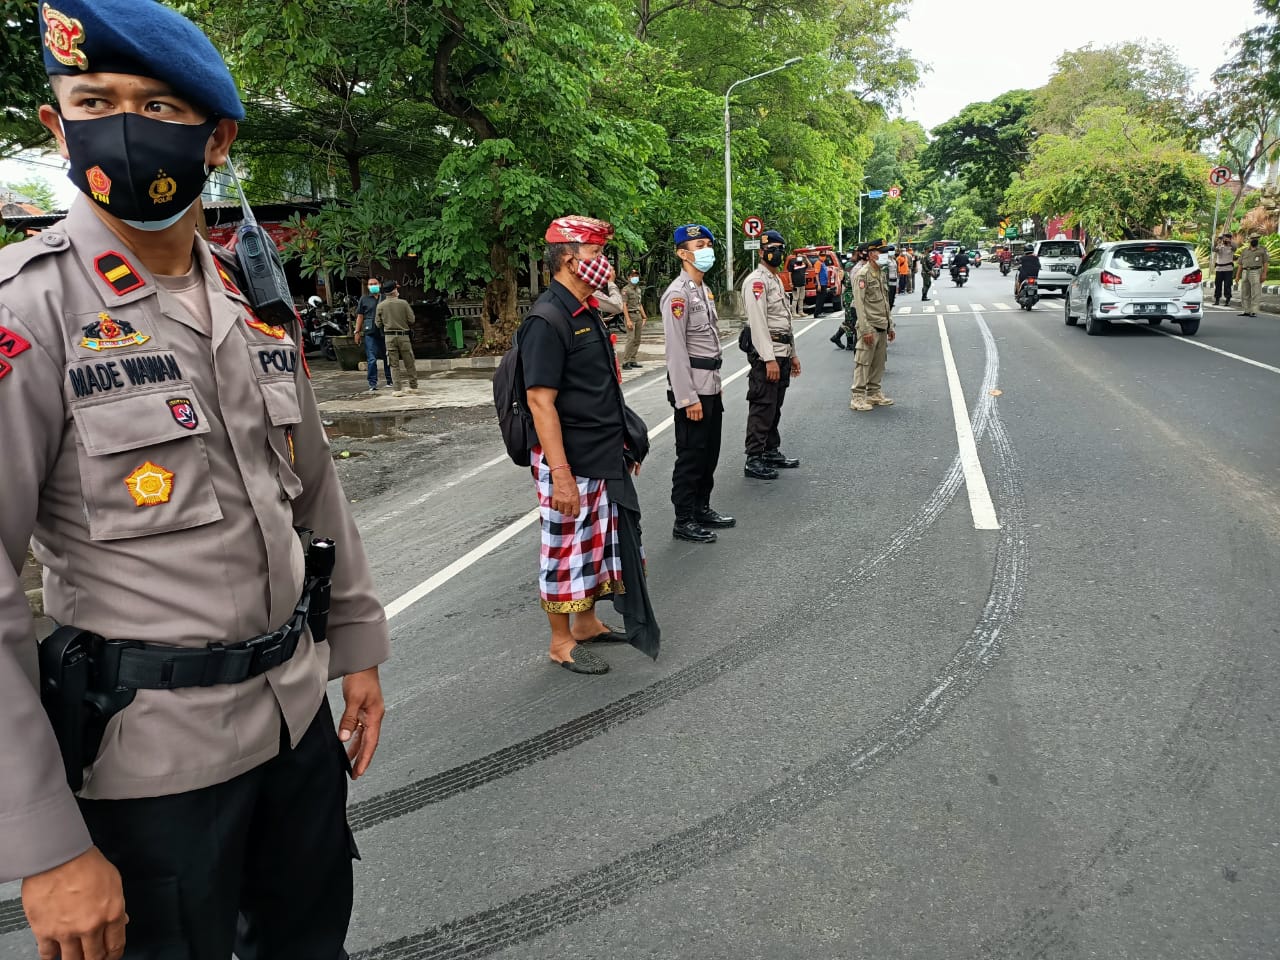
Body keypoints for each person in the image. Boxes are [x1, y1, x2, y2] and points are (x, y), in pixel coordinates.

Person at [1, 4, 391, 957]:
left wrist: (357, 645)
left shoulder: (250, 305)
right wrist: (45, 844)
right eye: (95, 100)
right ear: (58, 126)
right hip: (153, 771)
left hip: (296, 730)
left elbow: (313, 489)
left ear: (214, 138)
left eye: (158, 105)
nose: (125, 126)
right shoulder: (32, 311)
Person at [520, 215, 658, 675]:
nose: (605, 265)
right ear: (568, 259)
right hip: (570, 461)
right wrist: (560, 473)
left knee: (597, 547)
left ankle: (586, 624)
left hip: (601, 454)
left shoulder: (586, 310)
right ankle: (561, 642)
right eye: (596, 255)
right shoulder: (548, 318)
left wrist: (624, 442)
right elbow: (541, 402)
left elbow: (602, 389)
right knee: (565, 550)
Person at [661, 224, 734, 543]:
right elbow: (675, 352)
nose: (706, 249)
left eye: (708, 243)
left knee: (710, 453)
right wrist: (687, 398)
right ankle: (684, 518)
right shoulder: (677, 295)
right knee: (691, 455)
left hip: (710, 385)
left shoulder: (703, 290)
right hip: (692, 390)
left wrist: (715, 384)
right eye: (699, 244)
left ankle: (702, 507)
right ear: (682, 253)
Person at [743, 229, 802, 480]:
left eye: (780, 248)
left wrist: (793, 354)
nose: (776, 253)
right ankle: (754, 457)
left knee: (775, 406)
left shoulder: (776, 279)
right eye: (772, 248)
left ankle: (770, 450)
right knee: (763, 406)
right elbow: (758, 323)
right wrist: (768, 359)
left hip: (783, 351)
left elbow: (785, 321)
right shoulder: (757, 281)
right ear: (761, 251)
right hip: (768, 355)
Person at [850, 239, 896, 412]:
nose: (883, 255)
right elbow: (859, 304)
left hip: (882, 325)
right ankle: (858, 397)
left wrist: (890, 325)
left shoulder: (881, 273)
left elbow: (885, 302)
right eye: (880, 251)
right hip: (869, 326)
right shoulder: (863, 274)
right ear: (870, 255)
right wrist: (865, 328)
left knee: (878, 363)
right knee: (863, 363)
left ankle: (874, 393)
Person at [375, 280, 418, 395]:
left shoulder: (380, 306)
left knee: (394, 364)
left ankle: (397, 389)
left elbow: (378, 324)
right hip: (403, 336)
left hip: (389, 337)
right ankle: (413, 386)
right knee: (409, 362)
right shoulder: (403, 303)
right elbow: (411, 320)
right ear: (394, 291)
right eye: (397, 289)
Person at [355, 276, 393, 393]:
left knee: (387, 357)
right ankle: (372, 383)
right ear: (367, 286)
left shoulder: (385, 298)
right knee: (371, 359)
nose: (372, 286)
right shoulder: (364, 299)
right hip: (370, 332)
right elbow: (360, 316)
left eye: (374, 283)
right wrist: (357, 332)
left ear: (380, 285)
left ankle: (389, 380)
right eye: (370, 284)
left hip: (384, 331)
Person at [620, 267, 648, 369]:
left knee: (637, 339)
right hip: (630, 315)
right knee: (630, 339)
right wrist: (628, 320)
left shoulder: (638, 290)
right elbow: (624, 306)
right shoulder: (625, 290)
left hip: (638, 316)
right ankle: (625, 362)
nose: (635, 277)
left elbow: (639, 304)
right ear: (628, 278)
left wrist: (644, 316)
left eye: (636, 276)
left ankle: (633, 359)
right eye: (633, 276)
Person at [1237, 236, 1269, 317]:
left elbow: (1265, 263)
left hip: (1256, 271)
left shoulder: (1262, 249)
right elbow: (1240, 264)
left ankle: (1254, 311)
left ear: (1258, 240)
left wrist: (1264, 274)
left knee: (1255, 291)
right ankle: (1246, 310)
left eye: (1256, 238)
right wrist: (1237, 276)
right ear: (1249, 240)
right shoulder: (1245, 251)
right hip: (1245, 271)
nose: (1254, 240)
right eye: (1252, 238)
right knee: (1244, 292)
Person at [1212, 233, 1236, 306]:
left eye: (1226, 238)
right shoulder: (1220, 246)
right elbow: (1214, 249)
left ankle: (1227, 299)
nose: (1224, 240)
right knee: (1218, 284)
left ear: (1230, 239)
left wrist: (1229, 242)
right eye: (1223, 238)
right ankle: (1217, 299)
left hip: (1228, 269)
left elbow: (1235, 248)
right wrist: (1216, 242)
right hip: (1219, 269)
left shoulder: (1231, 246)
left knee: (1227, 285)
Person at [787, 250, 810, 317]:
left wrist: (805, 258)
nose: (800, 255)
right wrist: (791, 283)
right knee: (795, 298)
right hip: (795, 284)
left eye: (801, 254)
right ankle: (794, 313)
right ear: (796, 255)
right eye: (799, 254)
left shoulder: (803, 262)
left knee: (801, 298)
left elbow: (810, 266)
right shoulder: (792, 261)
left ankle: (801, 312)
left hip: (802, 283)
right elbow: (789, 273)